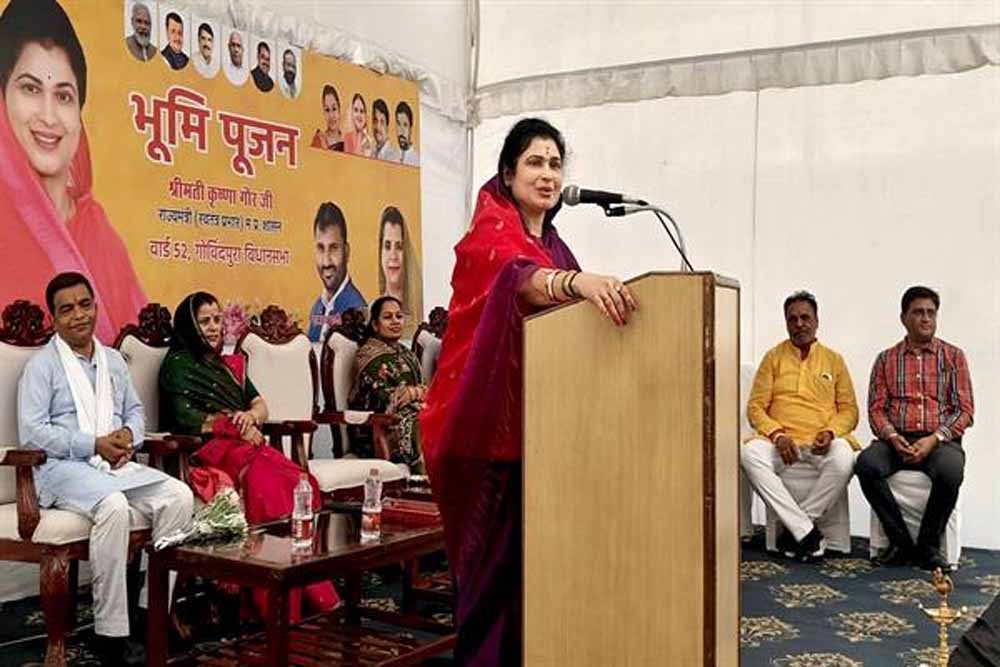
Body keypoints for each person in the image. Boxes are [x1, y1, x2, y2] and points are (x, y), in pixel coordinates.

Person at [419, 118, 637, 666]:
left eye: (555, 164)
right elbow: (520, 280)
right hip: (481, 433)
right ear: (508, 173)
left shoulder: (555, 246)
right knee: (492, 588)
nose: (548, 175)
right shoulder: (488, 235)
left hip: (541, 433)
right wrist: (577, 284)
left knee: (538, 581)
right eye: (535, 163)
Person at [18, 272, 193, 666]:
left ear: (95, 306)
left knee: (179, 496)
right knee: (113, 505)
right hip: (61, 469)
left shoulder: (113, 361)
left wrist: (128, 436)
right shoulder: (41, 367)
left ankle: (152, 612)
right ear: (54, 319)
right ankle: (111, 632)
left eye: (85, 305)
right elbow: (32, 432)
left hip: (112, 465)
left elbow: (135, 411)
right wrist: (93, 443)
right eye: (67, 310)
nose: (78, 315)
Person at [159, 291, 340, 622]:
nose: (213, 327)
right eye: (204, 321)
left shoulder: (228, 366)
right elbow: (185, 418)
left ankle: (304, 595)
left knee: (301, 482)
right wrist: (234, 426)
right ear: (189, 326)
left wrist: (250, 418)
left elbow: (260, 405)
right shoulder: (178, 365)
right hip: (208, 453)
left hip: (247, 446)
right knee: (271, 494)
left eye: (217, 320)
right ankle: (274, 602)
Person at [0, 0, 147, 343]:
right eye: (30, 88)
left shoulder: (100, 233)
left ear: (79, 115)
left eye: (64, 96)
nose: (49, 116)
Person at [855, 285, 973, 571]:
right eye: (918, 312)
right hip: (896, 439)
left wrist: (935, 438)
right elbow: (876, 410)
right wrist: (893, 437)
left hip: (940, 441)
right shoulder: (886, 359)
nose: (926, 318)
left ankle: (928, 547)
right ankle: (901, 543)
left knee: (951, 471)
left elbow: (965, 410)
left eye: (931, 313)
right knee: (866, 465)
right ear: (903, 318)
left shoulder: (953, 356)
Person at [741, 290, 860, 561]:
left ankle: (800, 526)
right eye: (792, 319)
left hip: (821, 443)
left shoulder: (834, 360)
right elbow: (755, 407)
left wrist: (830, 432)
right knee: (748, 454)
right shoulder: (773, 358)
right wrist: (777, 434)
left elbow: (850, 411)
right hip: (781, 443)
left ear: (817, 321)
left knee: (844, 459)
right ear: (786, 323)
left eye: (805, 318)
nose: (799, 324)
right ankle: (807, 532)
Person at [348, 296, 426, 472]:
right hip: (376, 429)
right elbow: (394, 398)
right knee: (423, 424)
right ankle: (421, 483)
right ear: (375, 325)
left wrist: (416, 393)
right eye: (387, 317)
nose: (395, 321)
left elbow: (421, 390)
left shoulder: (406, 353)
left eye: (399, 316)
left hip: (408, 416)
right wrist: (419, 393)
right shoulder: (368, 355)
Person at [307, 201, 366, 342]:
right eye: (321, 248)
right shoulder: (317, 308)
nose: (326, 262)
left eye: (334, 248)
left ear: (346, 252)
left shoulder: (357, 310)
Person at [377, 205, 422, 335]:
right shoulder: (369, 315)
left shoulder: (419, 314)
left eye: (399, 247)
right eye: (387, 246)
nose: (393, 256)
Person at [310, 84, 344, 151]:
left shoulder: (348, 141)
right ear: (323, 113)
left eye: (334, 109)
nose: (331, 115)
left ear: (339, 110)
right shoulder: (319, 140)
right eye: (327, 110)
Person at [343, 92, 372, 156]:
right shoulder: (347, 138)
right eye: (356, 110)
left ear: (366, 115)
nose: (359, 115)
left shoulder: (368, 140)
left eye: (362, 111)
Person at [395, 100, 419, 166]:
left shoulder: (417, 160)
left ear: (410, 129)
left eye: (405, 125)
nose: (401, 131)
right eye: (399, 124)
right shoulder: (391, 155)